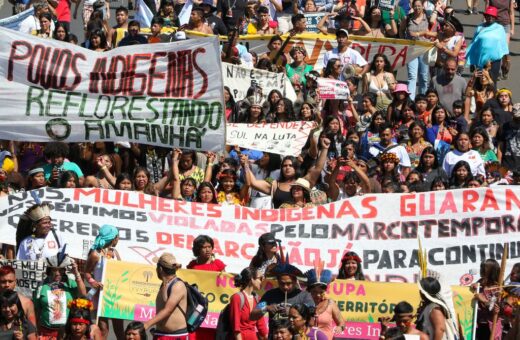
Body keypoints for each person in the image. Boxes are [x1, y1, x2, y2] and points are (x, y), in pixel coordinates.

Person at [250, 259, 314, 337]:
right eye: (282, 283)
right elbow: (252, 316)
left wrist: (292, 312)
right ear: (277, 281)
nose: (285, 287)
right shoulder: (270, 295)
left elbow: (311, 322)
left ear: (295, 281)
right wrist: (266, 308)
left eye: (288, 283)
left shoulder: (304, 296)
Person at [34, 254, 87, 338]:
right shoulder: (42, 286)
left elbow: (83, 294)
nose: (57, 273)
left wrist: (76, 272)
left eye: (60, 270)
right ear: (50, 270)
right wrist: (35, 331)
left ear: (64, 271)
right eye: (54, 270)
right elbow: (37, 310)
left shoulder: (70, 283)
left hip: (65, 333)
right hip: (45, 332)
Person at [84, 225, 123, 339]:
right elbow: (86, 272)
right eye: (117, 237)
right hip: (100, 294)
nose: (118, 239)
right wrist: (94, 282)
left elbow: (121, 270)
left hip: (114, 294)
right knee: (103, 329)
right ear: (112, 238)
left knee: (119, 329)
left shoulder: (115, 252)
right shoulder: (95, 254)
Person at [144, 253, 188, 339]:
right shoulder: (164, 284)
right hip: (161, 334)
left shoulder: (178, 285)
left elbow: (168, 310)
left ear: (160, 269)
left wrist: (147, 324)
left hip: (176, 336)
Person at [399, 0, 437, 99]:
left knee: (423, 77)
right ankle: (410, 100)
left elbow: (436, 33)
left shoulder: (427, 18)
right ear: (412, 6)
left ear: (423, 7)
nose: (417, 8)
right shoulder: (408, 18)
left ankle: (422, 98)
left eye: (419, 6)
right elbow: (401, 30)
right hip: (411, 50)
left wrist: (423, 33)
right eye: (415, 6)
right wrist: (404, 41)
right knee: (412, 76)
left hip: (424, 50)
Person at [465, 6, 509, 83]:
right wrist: (472, 63)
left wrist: (506, 60)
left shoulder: (500, 28)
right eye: (488, 15)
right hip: (481, 61)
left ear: (495, 17)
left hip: (495, 61)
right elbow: (474, 45)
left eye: (492, 16)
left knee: (492, 82)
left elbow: (504, 46)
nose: (490, 17)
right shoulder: (480, 27)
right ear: (485, 16)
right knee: (480, 83)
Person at [305, 267, 345, 339]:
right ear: (309, 291)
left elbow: (342, 323)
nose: (318, 295)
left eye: (321, 292)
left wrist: (340, 327)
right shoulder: (304, 304)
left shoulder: (330, 303)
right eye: (314, 292)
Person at [229, 267, 268, 340]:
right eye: (260, 278)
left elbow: (262, 326)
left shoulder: (258, 299)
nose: (262, 281)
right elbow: (236, 327)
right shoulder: (237, 298)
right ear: (251, 279)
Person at [496, 103, 520, 171]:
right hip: (507, 165)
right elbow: (500, 146)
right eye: (517, 118)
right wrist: (499, 163)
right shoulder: (504, 127)